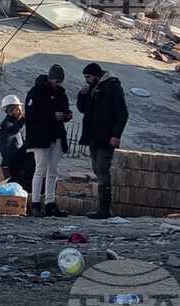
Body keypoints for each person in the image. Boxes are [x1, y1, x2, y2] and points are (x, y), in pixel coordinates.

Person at [76, 62, 129, 220]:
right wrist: (83, 95)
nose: (87, 80)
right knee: (97, 169)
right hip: (93, 137)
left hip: (106, 137)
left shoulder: (113, 87)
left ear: (96, 75)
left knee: (102, 169)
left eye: (88, 77)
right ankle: (102, 208)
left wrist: (116, 135)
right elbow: (83, 109)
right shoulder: (93, 88)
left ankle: (105, 210)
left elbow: (122, 113)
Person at [25, 64, 72, 217]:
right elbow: (31, 114)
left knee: (53, 171)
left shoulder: (60, 93)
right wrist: (52, 116)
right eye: (56, 81)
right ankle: (36, 203)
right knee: (40, 169)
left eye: (60, 82)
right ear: (50, 78)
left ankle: (50, 202)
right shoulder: (37, 92)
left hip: (56, 135)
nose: (57, 84)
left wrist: (66, 115)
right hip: (40, 136)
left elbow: (65, 107)